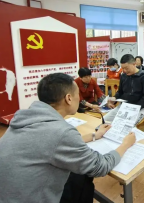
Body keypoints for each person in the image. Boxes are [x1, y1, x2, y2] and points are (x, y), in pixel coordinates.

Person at [0, 73, 136, 203]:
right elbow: (100, 166)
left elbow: (49, 144)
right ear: (69, 98)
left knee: (78, 176)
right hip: (31, 198)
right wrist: (125, 144)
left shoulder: (25, 118)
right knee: (82, 176)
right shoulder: (61, 132)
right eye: (78, 94)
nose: (80, 98)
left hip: (10, 194)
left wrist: (94, 135)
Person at [104, 54, 144, 123]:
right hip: (124, 106)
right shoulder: (124, 76)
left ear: (134, 64)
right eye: (123, 68)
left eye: (126, 68)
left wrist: (134, 108)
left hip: (138, 108)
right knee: (104, 120)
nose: (125, 70)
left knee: (127, 124)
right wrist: (114, 98)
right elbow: (120, 92)